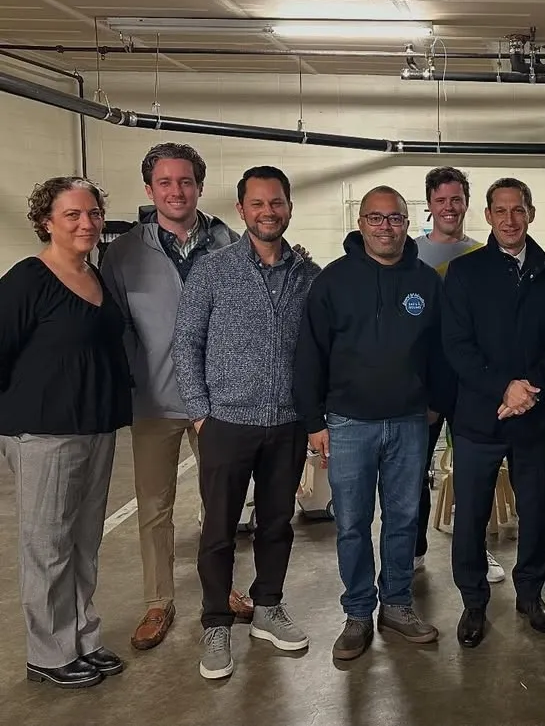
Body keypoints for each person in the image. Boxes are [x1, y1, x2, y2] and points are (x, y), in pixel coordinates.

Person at [172, 166, 321, 679]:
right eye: (257, 203)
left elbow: (319, 348)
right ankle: (216, 621)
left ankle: (267, 608)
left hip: (286, 424)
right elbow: (187, 342)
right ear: (241, 210)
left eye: (276, 202)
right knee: (218, 529)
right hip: (227, 423)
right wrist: (199, 412)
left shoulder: (307, 275)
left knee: (277, 523)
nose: (268, 212)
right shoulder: (212, 270)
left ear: (288, 206)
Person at [100, 142, 250, 651]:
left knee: (221, 503)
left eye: (185, 181)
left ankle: (219, 587)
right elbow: (116, 328)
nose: (176, 191)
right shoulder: (121, 254)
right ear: (149, 190)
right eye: (164, 182)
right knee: (155, 507)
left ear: (200, 187)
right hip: (155, 401)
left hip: (219, 402)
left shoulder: (230, 244)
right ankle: (158, 601)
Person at [293, 186, 451, 660]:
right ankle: (358, 611)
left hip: (408, 422)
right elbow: (309, 355)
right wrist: (313, 421)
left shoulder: (426, 281)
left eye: (396, 218)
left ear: (409, 222)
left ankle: (397, 604)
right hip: (347, 423)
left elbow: (443, 352)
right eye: (376, 218)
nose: (386, 227)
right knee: (353, 524)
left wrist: (435, 404)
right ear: (361, 223)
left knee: (403, 519)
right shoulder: (332, 281)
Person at [0, 177, 132, 689]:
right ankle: (48, 653)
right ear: (46, 221)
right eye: (73, 214)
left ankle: (83, 637)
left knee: (82, 543)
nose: (86, 223)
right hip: (44, 433)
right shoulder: (28, 280)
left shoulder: (95, 276)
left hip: (95, 428)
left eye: (93, 214)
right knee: (47, 543)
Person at [442, 177, 545, 648]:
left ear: (531, 213)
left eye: (518, 209)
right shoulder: (465, 273)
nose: (509, 219)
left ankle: (530, 595)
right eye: (500, 210)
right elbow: (456, 347)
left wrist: (530, 389)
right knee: (472, 515)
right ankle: (474, 603)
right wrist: (504, 387)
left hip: (534, 417)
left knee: (536, 512)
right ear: (488, 216)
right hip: (480, 417)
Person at [411, 166, 505, 585]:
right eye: (441, 200)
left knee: (472, 477)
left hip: (473, 387)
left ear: (468, 204)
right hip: (426, 384)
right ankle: (411, 551)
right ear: (429, 205)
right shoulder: (410, 255)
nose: (449, 208)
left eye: (456, 200)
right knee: (413, 474)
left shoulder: (484, 254)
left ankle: (476, 552)